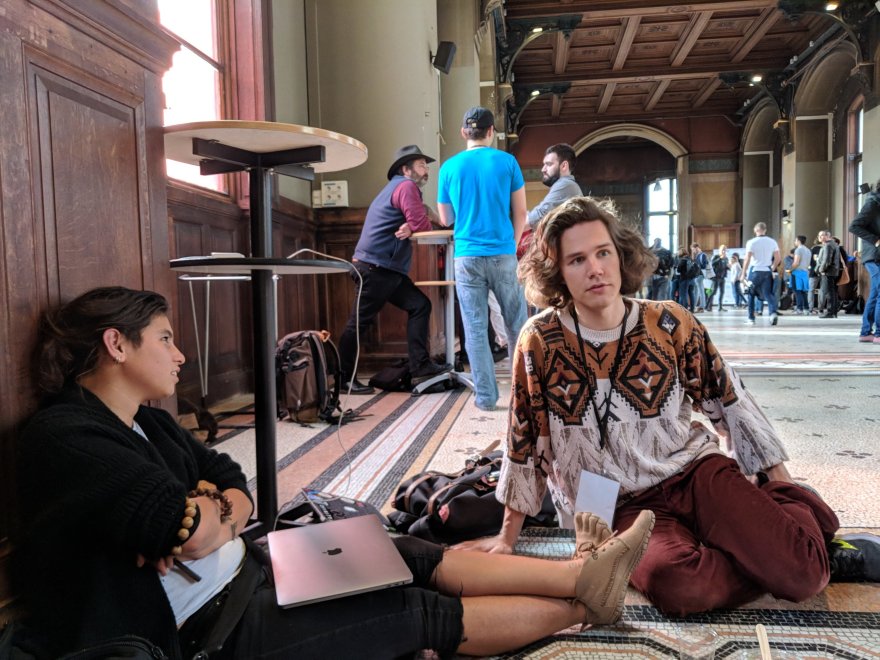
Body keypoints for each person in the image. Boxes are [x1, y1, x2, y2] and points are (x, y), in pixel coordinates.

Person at [13, 286, 657, 659]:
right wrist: (202, 514)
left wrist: (213, 507)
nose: (179, 355)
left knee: (401, 550)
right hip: (209, 627)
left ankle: (580, 573)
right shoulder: (67, 434)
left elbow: (228, 480)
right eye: (164, 339)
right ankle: (583, 606)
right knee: (413, 611)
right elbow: (186, 525)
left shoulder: (147, 424)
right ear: (116, 345)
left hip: (252, 567)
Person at [455, 197, 880, 617]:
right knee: (679, 587)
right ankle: (764, 552)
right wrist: (507, 539)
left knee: (804, 574)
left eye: (603, 253)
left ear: (620, 255)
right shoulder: (539, 340)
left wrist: (780, 484)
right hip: (621, 504)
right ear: (558, 273)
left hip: (695, 473)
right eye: (577, 260)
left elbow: (730, 400)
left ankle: (794, 511)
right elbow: (524, 435)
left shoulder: (669, 322)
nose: (595, 269)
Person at [338, 145, 450, 394]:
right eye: (421, 165)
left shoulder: (398, 188)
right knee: (358, 324)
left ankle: (421, 367)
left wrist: (414, 223)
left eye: (426, 165)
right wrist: (415, 224)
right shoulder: (406, 186)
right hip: (376, 268)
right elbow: (421, 225)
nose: (426, 170)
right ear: (405, 169)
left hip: (385, 269)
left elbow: (418, 220)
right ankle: (342, 380)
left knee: (419, 305)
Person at [437, 107, 529, 411]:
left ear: (464, 133)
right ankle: (524, 394)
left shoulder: (449, 167)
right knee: (516, 323)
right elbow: (521, 213)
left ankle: (486, 398)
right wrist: (512, 246)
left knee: (475, 329)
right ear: (491, 132)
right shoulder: (507, 162)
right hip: (503, 252)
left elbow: (445, 218)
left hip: (467, 256)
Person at [849, 179, 880, 342]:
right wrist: (876, 240)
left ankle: (866, 332)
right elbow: (854, 226)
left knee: (875, 292)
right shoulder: (873, 203)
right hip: (874, 256)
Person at [740, 222, 781, 326]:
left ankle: (751, 318)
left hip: (755, 271)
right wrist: (772, 268)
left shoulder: (751, 242)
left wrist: (743, 273)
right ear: (765, 230)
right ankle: (772, 313)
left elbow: (747, 258)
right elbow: (778, 258)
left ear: (755, 230)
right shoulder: (772, 242)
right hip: (767, 270)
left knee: (751, 294)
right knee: (768, 294)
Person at [816, 229, 842, 319]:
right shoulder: (834, 244)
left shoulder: (828, 245)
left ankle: (830, 312)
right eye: (819, 235)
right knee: (833, 292)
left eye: (822, 235)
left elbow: (827, 260)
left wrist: (821, 270)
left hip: (828, 272)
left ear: (828, 236)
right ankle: (833, 312)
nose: (820, 237)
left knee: (829, 293)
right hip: (833, 271)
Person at [791, 235, 812, 315]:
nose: (795, 242)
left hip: (797, 272)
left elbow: (796, 263)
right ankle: (806, 309)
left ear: (798, 241)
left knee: (797, 291)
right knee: (803, 291)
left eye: (795, 240)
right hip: (805, 272)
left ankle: (799, 308)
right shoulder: (808, 250)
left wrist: (790, 270)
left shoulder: (798, 250)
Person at [705, 244, 729, 311]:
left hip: (722, 277)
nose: (724, 251)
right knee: (713, 292)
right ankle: (707, 306)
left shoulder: (726, 258)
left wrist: (728, 267)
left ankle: (720, 307)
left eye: (725, 250)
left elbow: (725, 267)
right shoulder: (716, 256)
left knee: (722, 292)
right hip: (716, 277)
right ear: (720, 250)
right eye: (723, 250)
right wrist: (720, 258)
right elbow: (712, 264)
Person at [673, 247, 695, 312]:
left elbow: (678, 269)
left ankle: (684, 309)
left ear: (681, 252)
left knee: (683, 294)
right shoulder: (690, 259)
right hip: (692, 279)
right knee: (691, 294)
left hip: (684, 279)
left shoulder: (683, 260)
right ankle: (692, 309)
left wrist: (677, 267)